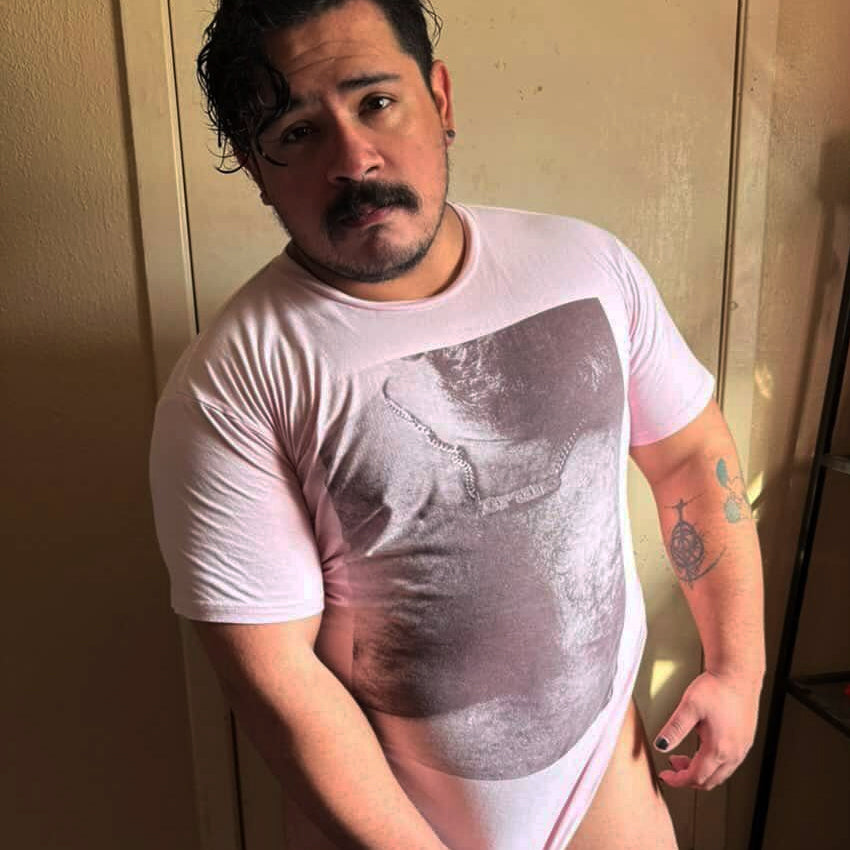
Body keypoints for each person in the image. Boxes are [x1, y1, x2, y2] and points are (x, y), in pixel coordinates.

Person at [148, 1, 766, 847]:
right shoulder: (233, 381)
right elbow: (276, 678)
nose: (353, 160)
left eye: (376, 102)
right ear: (257, 167)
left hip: (610, 798)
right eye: (298, 133)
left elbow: (690, 455)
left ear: (439, 98)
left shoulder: (586, 267)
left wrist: (737, 666)